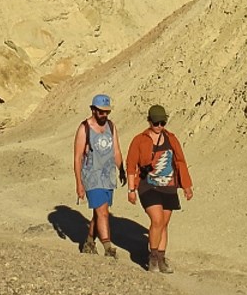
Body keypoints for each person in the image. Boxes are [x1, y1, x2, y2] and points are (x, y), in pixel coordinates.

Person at [126, 104, 194, 273]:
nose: (159, 126)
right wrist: (131, 189)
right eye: (156, 123)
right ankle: (153, 257)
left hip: (169, 186)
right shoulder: (139, 140)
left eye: (162, 122)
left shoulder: (171, 138)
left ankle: (162, 259)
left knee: (164, 223)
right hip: (147, 185)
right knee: (156, 220)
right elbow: (131, 165)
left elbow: (180, 161)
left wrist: (186, 186)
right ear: (149, 121)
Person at [73, 93, 125, 258]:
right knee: (103, 212)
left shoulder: (111, 126)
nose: (104, 115)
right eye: (101, 112)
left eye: (107, 112)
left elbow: (116, 150)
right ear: (93, 110)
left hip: (108, 175)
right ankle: (108, 247)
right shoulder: (84, 128)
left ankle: (89, 242)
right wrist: (79, 184)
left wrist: (122, 169)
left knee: (100, 210)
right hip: (92, 176)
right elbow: (78, 157)